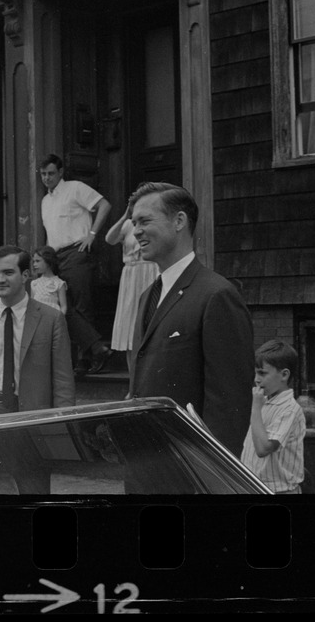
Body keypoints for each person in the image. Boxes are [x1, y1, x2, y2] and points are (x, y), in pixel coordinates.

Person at [129, 181, 253, 457]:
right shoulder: (147, 296)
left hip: (190, 468)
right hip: (144, 461)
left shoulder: (216, 295)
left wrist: (213, 473)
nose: (136, 231)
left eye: (145, 221)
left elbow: (230, 402)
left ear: (179, 221)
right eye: (133, 223)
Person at [0, 245, 75, 415]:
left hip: (33, 415)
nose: (0, 279)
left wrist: (63, 423)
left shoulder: (51, 319)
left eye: (8, 273)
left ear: (25, 276)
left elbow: (63, 382)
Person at [39, 154, 113, 375]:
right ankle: (96, 348)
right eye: (43, 174)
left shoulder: (75, 188)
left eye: (51, 173)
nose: (47, 178)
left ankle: (84, 360)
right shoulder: (45, 200)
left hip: (76, 252)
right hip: (55, 256)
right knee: (63, 306)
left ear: (61, 172)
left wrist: (92, 234)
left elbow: (105, 205)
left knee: (82, 304)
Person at [240, 340, 306, 494]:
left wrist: (256, 408)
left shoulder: (289, 409)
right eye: (256, 372)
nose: (256, 379)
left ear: (284, 374)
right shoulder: (265, 402)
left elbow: (263, 449)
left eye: (262, 373)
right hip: (254, 487)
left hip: (279, 491)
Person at [104, 205, 159, 362]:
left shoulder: (154, 223)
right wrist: (124, 216)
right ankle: (133, 380)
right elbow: (110, 239)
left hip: (151, 271)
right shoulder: (128, 224)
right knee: (130, 323)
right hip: (131, 275)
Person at [29, 245, 68, 314]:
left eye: (38, 261)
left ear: (48, 261)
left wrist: (59, 320)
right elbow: (32, 304)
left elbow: (63, 306)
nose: (34, 264)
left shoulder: (59, 283)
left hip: (53, 318)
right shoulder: (34, 283)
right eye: (34, 261)